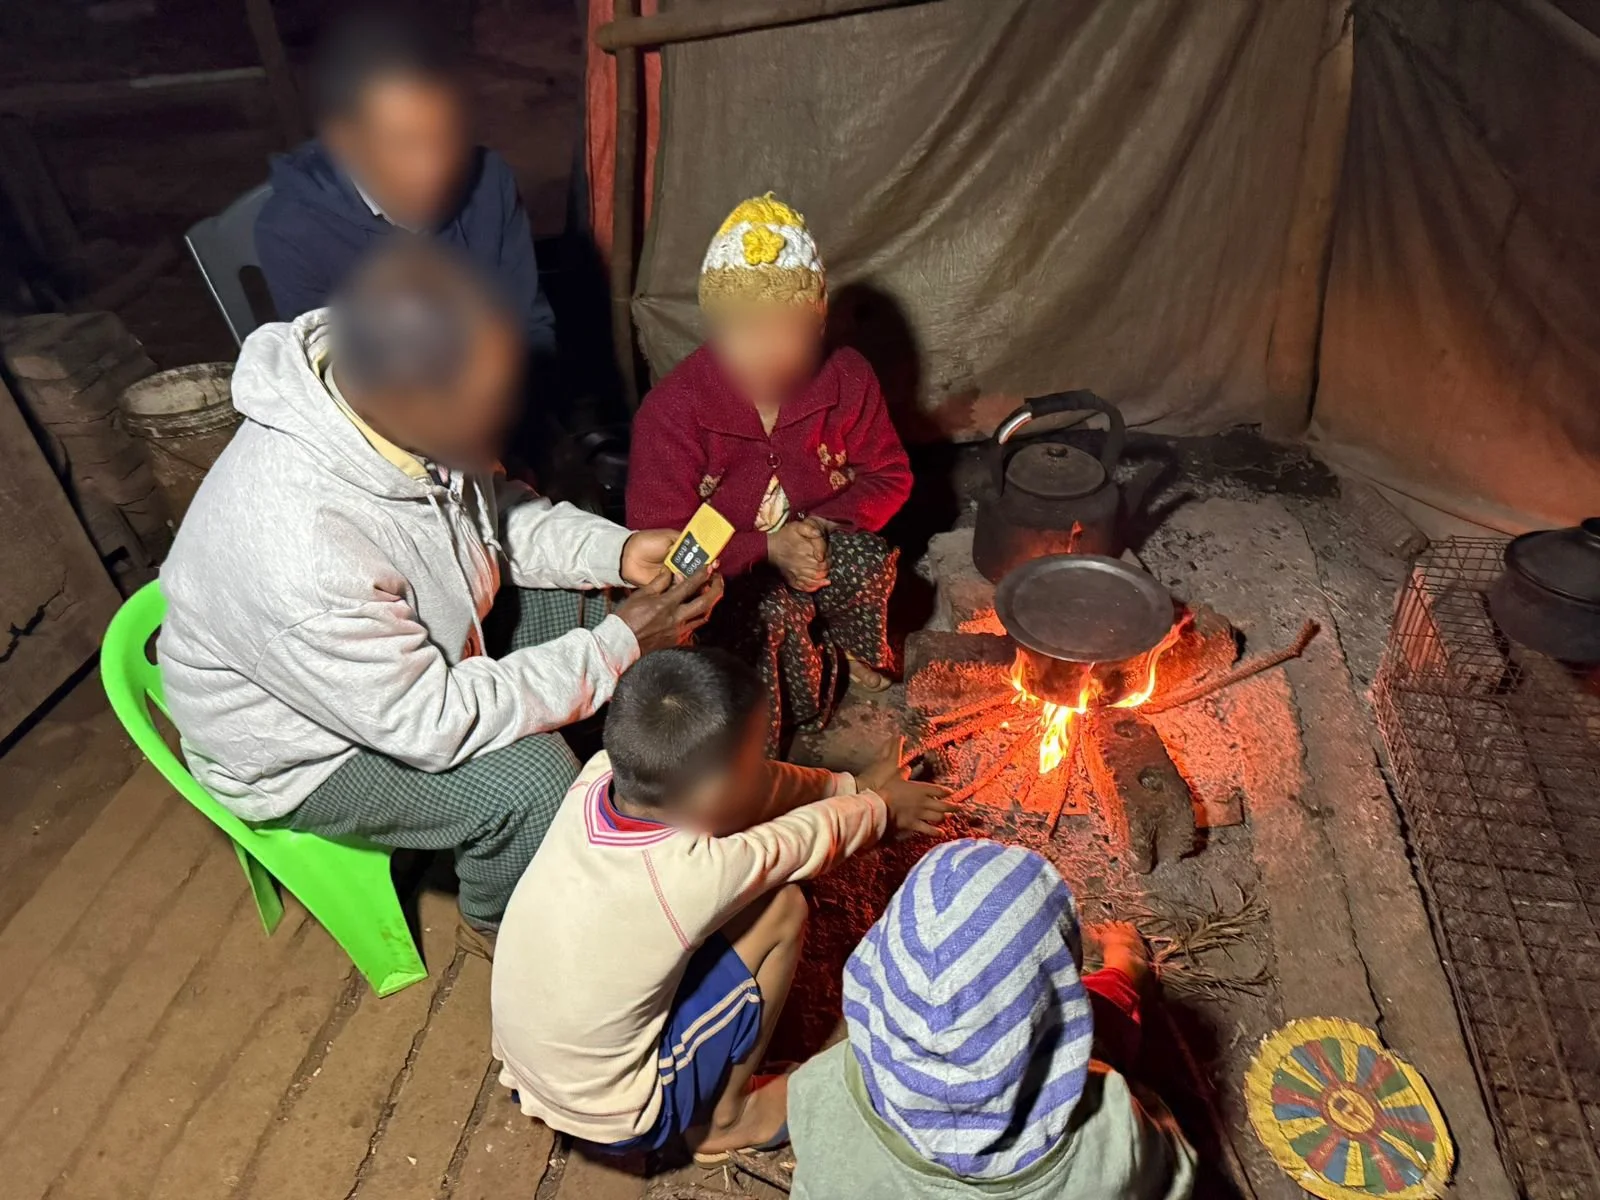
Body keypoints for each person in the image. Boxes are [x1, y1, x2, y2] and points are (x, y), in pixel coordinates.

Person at [158, 240, 719, 952]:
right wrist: (619, 644)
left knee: (599, 605)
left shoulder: (402, 408)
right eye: (486, 411)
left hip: (414, 652)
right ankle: (503, 926)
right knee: (529, 780)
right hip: (310, 750)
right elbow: (431, 721)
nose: (503, 431)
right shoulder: (299, 550)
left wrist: (616, 550)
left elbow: (495, 515)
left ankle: (603, 807)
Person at [490, 647, 951, 1159]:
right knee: (783, 908)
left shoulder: (600, 775)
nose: (764, 766)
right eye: (753, 758)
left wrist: (850, 786)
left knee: (735, 831)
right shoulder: (692, 876)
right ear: (717, 785)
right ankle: (728, 1119)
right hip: (617, 1110)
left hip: (534, 1064)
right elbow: (802, 840)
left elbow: (758, 789)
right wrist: (881, 810)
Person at [626, 195, 913, 754]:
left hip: (808, 549)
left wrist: (822, 529)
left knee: (868, 560)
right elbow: (665, 553)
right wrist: (767, 547)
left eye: (791, 330)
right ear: (711, 327)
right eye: (743, 330)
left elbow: (890, 475)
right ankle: (786, 728)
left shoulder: (847, 379)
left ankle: (843, 656)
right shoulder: (674, 411)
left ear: (821, 322)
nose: (767, 353)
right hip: (722, 576)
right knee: (772, 619)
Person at [788, 840, 1198, 1200]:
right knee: (1109, 1025)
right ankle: (1123, 975)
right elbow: (1176, 1174)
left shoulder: (816, 1090)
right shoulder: (1109, 1133)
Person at [254, 11, 556, 367]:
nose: (434, 169)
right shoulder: (291, 233)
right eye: (404, 143)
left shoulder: (492, 182)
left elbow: (529, 329)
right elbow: (329, 381)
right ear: (347, 141)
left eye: (447, 137)